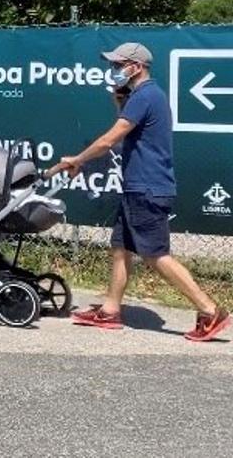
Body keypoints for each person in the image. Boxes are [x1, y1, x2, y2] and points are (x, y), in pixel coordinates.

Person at [52, 42, 229, 341]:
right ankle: (109, 311)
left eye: (118, 65)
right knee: (120, 248)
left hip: (147, 188)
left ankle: (210, 311)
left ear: (136, 66)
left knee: (155, 256)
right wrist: (119, 100)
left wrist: (77, 160)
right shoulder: (143, 96)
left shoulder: (145, 96)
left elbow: (110, 140)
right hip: (139, 187)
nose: (114, 70)